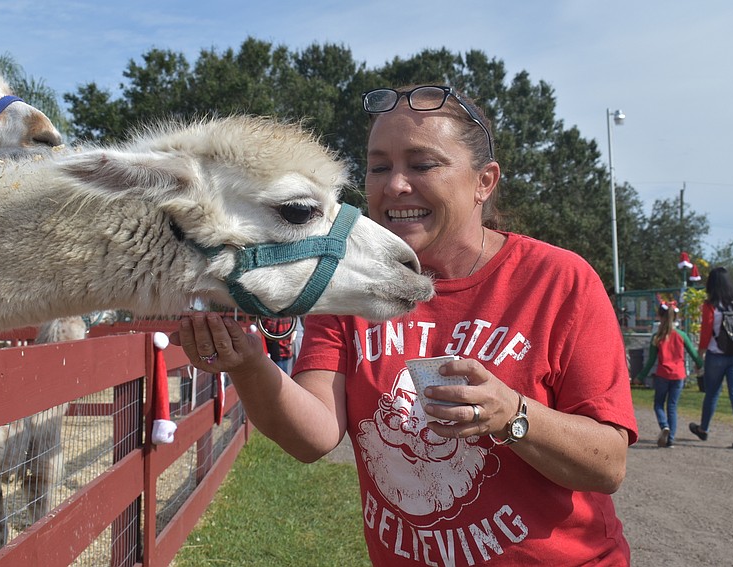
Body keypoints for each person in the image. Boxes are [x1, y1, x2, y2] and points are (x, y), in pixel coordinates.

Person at [172, 84, 638, 565]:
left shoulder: (558, 281)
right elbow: (312, 436)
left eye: (422, 164)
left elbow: (608, 464)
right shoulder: (352, 288)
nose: (394, 185)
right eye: (379, 167)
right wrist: (249, 365)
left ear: (484, 182)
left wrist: (512, 414)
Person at [690, 266, 733, 450]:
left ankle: (703, 429)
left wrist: (699, 355)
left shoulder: (711, 306)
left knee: (712, 393)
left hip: (717, 356)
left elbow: (706, 332)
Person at [635, 300, 703, 447]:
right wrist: (700, 365)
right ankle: (670, 438)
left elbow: (650, 361)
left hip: (662, 374)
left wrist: (640, 376)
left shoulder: (657, 337)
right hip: (678, 375)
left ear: (660, 316)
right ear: (676, 317)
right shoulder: (682, 335)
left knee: (659, 404)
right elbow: (694, 354)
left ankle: (664, 425)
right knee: (672, 406)